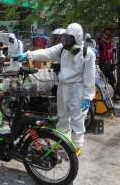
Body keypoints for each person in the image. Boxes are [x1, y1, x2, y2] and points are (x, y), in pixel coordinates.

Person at [17, 23, 96, 154]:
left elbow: (90, 77)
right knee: (62, 117)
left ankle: (77, 146)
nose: (66, 41)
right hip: (63, 87)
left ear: (77, 38)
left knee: (77, 119)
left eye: (69, 38)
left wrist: (87, 97)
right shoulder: (62, 49)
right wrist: (29, 54)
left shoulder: (87, 53)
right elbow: (47, 53)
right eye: (65, 38)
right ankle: (61, 142)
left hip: (78, 89)